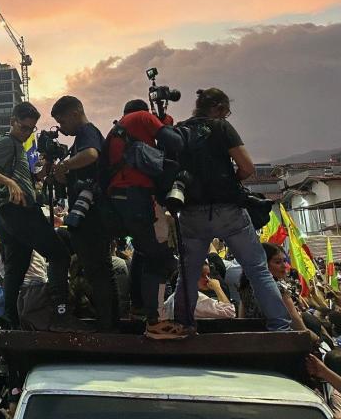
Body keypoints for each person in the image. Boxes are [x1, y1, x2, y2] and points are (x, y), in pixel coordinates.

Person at [172, 88, 291, 333]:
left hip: (192, 212)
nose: (226, 117)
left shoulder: (179, 131)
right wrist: (231, 181)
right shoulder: (220, 127)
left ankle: (184, 326)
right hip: (228, 210)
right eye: (225, 112)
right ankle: (280, 327)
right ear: (217, 108)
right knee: (258, 269)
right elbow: (247, 167)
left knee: (188, 273)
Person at [0, 102, 79, 331]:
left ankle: (11, 321)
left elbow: (28, 179)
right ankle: (60, 312)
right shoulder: (6, 142)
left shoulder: (17, 147)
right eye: (24, 127)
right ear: (12, 121)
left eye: (31, 129)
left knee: (17, 266)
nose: (27, 133)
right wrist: (10, 182)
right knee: (59, 255)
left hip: (10, 214)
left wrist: (43, 170)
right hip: (20, 212)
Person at [103, 99, 185, 338]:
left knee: (143, 251)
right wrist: (165, 124)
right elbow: (175, 142)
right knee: (160, 258)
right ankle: (156, 322)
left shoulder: (117, 129)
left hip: (120, 200)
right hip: (139, 198)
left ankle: (139, 308)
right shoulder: (141, 117)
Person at [51, 95, 119, 331]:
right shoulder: (79, 139)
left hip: (93, 216)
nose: (61, 128)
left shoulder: (87, 132)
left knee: (98, 271)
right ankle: (109, 323)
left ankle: (107, 326)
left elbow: (91, 155)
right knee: (99, 271)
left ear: (75, 113)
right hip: (90, 214)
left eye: (62, 121)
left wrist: (65, 165)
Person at [161, 263, 235, 320]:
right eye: (202, 275)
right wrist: (218, 288)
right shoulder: (195, 299)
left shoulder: (173, 297)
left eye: (208, 275)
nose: (208, 279)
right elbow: (230, 312)